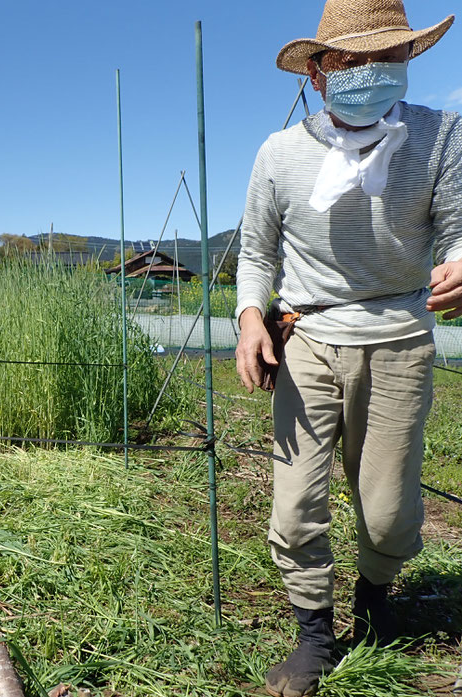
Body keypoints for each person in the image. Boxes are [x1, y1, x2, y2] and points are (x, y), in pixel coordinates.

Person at [234, 1, 461, 695]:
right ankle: (311, 633)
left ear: (405, 62)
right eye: (350, 60)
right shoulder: (280, 153)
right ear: (315, 71)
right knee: (294, 501)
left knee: (389, 509)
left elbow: (456, 229)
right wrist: (250, 317)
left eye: (385, 57)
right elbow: (254, 250)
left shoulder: (439, 135)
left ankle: (374, 595)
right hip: (306, 334)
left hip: (397, 339)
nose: (369, 71)